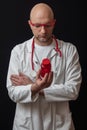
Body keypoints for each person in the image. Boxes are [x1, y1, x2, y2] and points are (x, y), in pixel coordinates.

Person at [6, 2, 82, 130]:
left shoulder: (69, 50)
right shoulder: (18, 52)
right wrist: (35, 87)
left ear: (54, 23)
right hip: (26, 125)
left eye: (47, 25)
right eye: (37, 25)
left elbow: (73, 90)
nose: (43, 31)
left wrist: (37, 89)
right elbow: (13, 93)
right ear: (30, 24)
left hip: (59, 124)